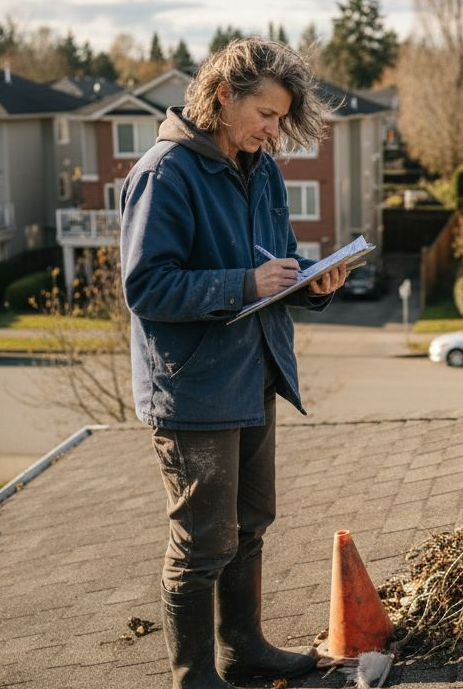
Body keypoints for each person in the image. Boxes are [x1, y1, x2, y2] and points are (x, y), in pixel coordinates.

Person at [119, 37, 346, 689]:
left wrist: (311, 283)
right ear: (224, 94)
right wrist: (247, 284)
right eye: (267, 115)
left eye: (280, 119)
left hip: (256, 376)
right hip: (194, 391)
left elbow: (277, 262)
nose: (274, 131)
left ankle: (242, 652)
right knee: (202, 544)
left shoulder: (263, 168)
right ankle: (193, 679)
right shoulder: (165, 173)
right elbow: (147, 287)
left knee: (250, 527)